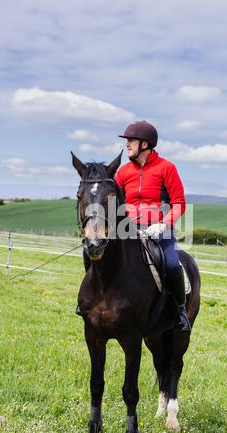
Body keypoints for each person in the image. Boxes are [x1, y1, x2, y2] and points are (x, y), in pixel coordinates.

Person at [81, 120, 190, 332]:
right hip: (126, 229)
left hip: (158, 229)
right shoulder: (122, 173)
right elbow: (111, 201)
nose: (127, 145)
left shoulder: (166, 168)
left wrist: (163, 224)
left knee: (171, 264)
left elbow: (179, 203)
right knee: (89, 253)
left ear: (145, 144)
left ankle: (180, 312)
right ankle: (90, 301)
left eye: (131, 140)